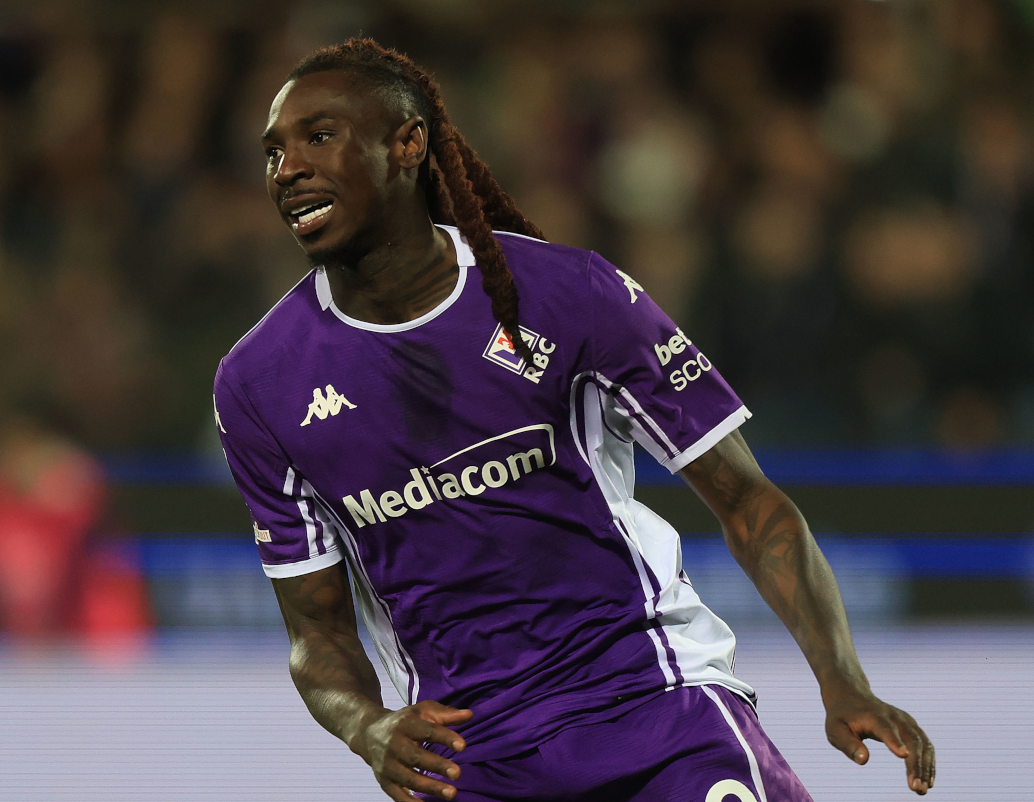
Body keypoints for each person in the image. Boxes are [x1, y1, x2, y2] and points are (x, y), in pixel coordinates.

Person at [213, 38, 935, 802]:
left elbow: (749, 502)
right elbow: (315, 634)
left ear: (408, 143)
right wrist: (367, 727)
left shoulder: (568, 294)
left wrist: (841, 679)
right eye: (272, 152)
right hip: (470, 761)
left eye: (318, 137)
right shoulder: (259, 384)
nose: (286, 169)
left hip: (657, 710)